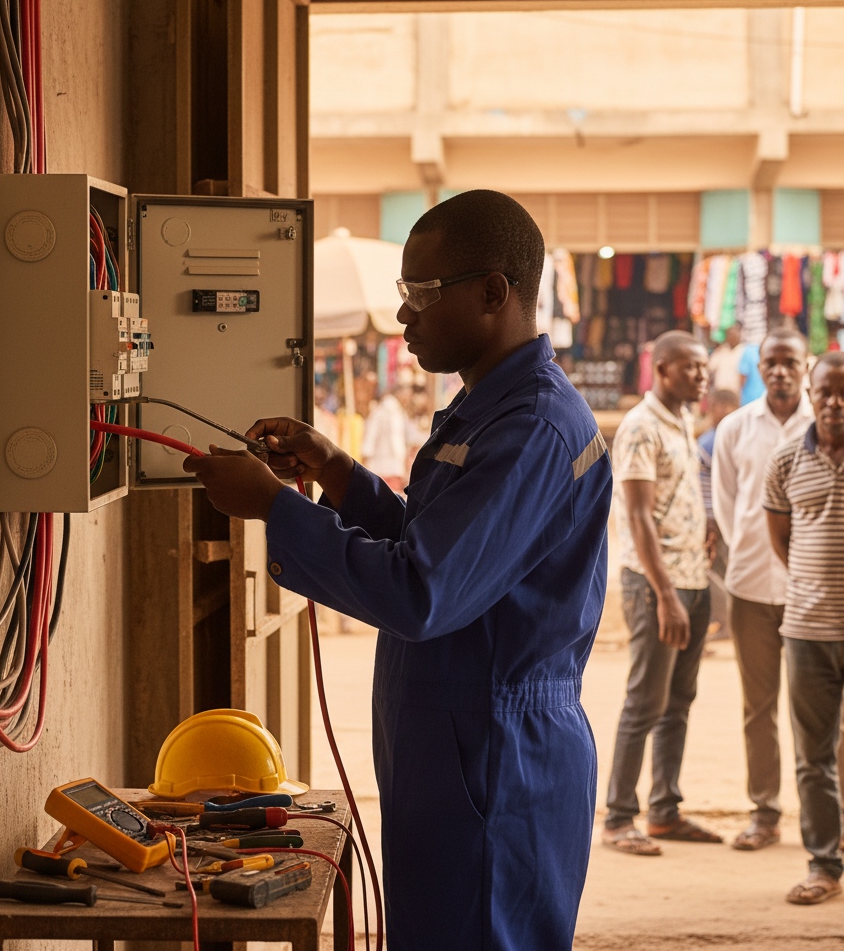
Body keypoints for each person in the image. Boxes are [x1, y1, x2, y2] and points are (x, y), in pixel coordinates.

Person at [182, 189, 613, 950]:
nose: (406, 316)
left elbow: (424, 592)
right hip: (456, 753)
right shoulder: (483, 410)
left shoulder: (532, 429)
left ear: (493, 293)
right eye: (402, 294)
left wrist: (276, 509)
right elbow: (433, 544)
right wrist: (335, 468)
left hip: (497, 762)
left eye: (421, 294)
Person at [602, 331, 721, 855]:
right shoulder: (640, 427)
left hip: (693, 579)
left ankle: (664, 811)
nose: (703, 376)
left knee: (679, 701)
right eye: (693, 368)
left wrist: (706, 527)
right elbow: (637, 517)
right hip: (658, 586)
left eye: (704, 368)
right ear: (664, 369)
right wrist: (666, 594)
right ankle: (619, 819)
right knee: (645, 701)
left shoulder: (682, 420)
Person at [711, 328, 812, 852]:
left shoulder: (826, 425)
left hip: (814, 592)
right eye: (771, 362)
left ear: (805, 365)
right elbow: (729, 506)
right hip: (750, 587)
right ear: (759, 368)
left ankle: (826, 819)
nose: (779, 371)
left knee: (821, 707)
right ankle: (765, 813)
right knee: (759, 706)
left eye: (789, 362)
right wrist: (751, 550)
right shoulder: (734, 428)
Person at [764, 351, 844, 905]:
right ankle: (824, 864)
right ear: (812, 395)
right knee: (813, 755)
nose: (835, 403)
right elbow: (782, 539)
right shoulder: (787, 459)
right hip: (808, 632)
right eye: (827, 392)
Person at [698, 388, 740, 641]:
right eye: (717, 408)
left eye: (729, 407)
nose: (723, 413)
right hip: (714, 519)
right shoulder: (709, 441)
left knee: (721, 570)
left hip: (724, 519)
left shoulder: (715, 440)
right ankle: (724, 620)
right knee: (720, 569)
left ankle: (726, 623)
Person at [709, 323, 745, 394]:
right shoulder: (721, 351)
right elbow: (710, 367)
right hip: (720, 391)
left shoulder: (744, 351)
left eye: (735, 334)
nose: (732, 337)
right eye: (730, 334)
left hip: (736, 393)